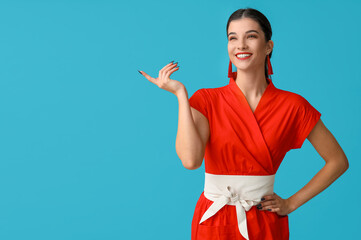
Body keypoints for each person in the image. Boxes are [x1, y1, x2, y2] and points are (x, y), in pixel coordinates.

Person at [138, 7, 349, 240]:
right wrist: (180, 94)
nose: (240, 45)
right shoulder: (206, 100)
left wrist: (291, 203)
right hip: (213, 219)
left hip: (264, 221)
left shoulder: (293, 106)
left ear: (268, 46)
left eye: (251, 36)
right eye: (233, 38)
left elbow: (338, 161)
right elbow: (190, 161)